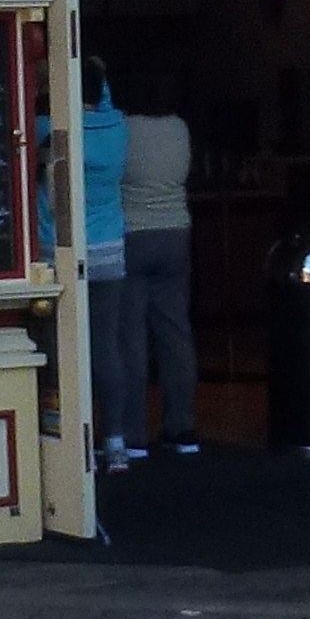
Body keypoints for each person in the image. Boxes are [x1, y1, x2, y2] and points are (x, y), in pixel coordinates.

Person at [120, 66, 199, 456]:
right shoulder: (179, 127)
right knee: (175, 332)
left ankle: (133, 435)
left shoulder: (123, 129)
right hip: (176, 232)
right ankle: (181, 427)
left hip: (132, 233)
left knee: (131, 336)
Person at [76, 58, 141, 475]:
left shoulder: (51, 127)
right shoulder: (118, 127)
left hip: (60, 249)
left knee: (57, 349)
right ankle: (115, 440)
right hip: (109, 248)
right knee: (107, 347)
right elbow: (105, 98)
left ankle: (64, 439)